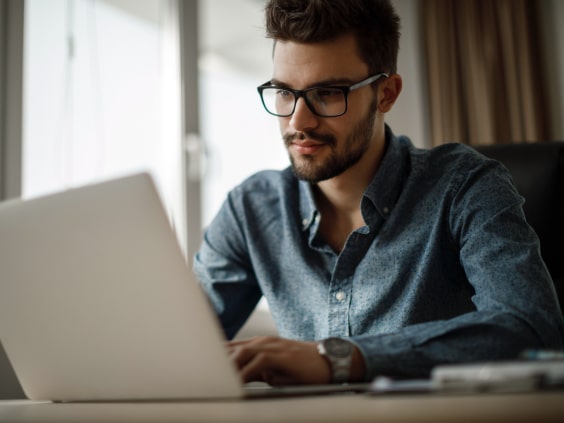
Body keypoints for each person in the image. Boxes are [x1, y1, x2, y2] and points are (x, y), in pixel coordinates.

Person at [194, 0, 564, 386]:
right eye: (285, 93)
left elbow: (530, 326)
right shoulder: (249, 208)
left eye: (328, 94)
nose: (298, 121)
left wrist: (338, 358)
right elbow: (175, 340)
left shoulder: (465, 185)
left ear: (386, 93)